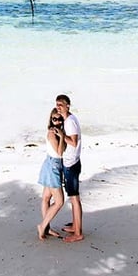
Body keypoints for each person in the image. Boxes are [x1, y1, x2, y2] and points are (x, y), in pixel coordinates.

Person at [55, 94, 83, 242]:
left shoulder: (70, 122)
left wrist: (61, 135)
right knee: (73, 198)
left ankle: (78, 233)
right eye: (57, 104)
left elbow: (73, 142)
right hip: (72, 162)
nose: (58, 107)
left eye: (61, 104)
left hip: (71, 164)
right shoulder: (69, 120)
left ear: (68, 106)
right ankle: (75, 226)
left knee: (74, 198)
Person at [37, 106, 66, 240]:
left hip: (51, 164)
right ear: (51, 119)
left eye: (60, 119)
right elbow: (60, 153)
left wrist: (62, 135)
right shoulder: (52, 134)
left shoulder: (57, 132)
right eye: (55, 119)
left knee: (46, 197)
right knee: (59, 201)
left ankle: (46, 228)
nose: (58, 122)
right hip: (53, 165)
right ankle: (43, 226)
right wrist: (62, 136)